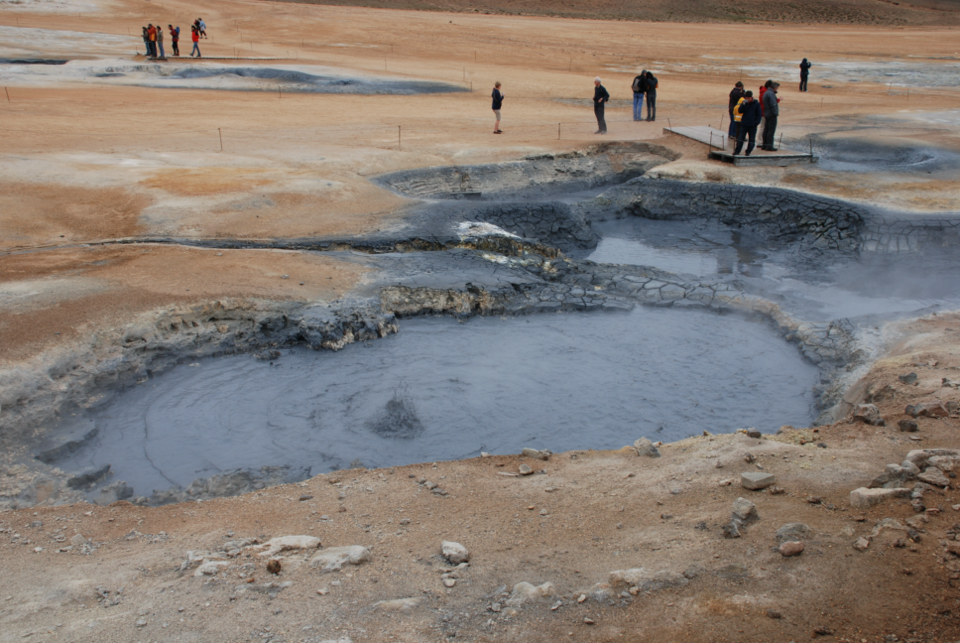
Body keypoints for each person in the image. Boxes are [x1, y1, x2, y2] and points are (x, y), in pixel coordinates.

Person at [734, 91, 761, 156]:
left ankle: (748, 152)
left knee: (751, 140)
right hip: (744, 124)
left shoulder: (756, 104)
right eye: (746, 98)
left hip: (752, 125)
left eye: (749, 98)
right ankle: (737, 151)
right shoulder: (744, 103)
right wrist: (743, 104)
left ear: (752, 97)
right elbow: (740, 111)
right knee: (740, 139)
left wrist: (756, 123)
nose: (747, 99)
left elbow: (759, 114)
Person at [761, 82, 780, 151]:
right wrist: (775, 113)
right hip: (771, 114)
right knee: (771, 130)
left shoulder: (766, 92)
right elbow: (773, 104)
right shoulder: (771, 94)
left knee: (766, 129)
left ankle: (764, 145)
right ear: (774, 87)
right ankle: (769, 146)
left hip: (766, 113)